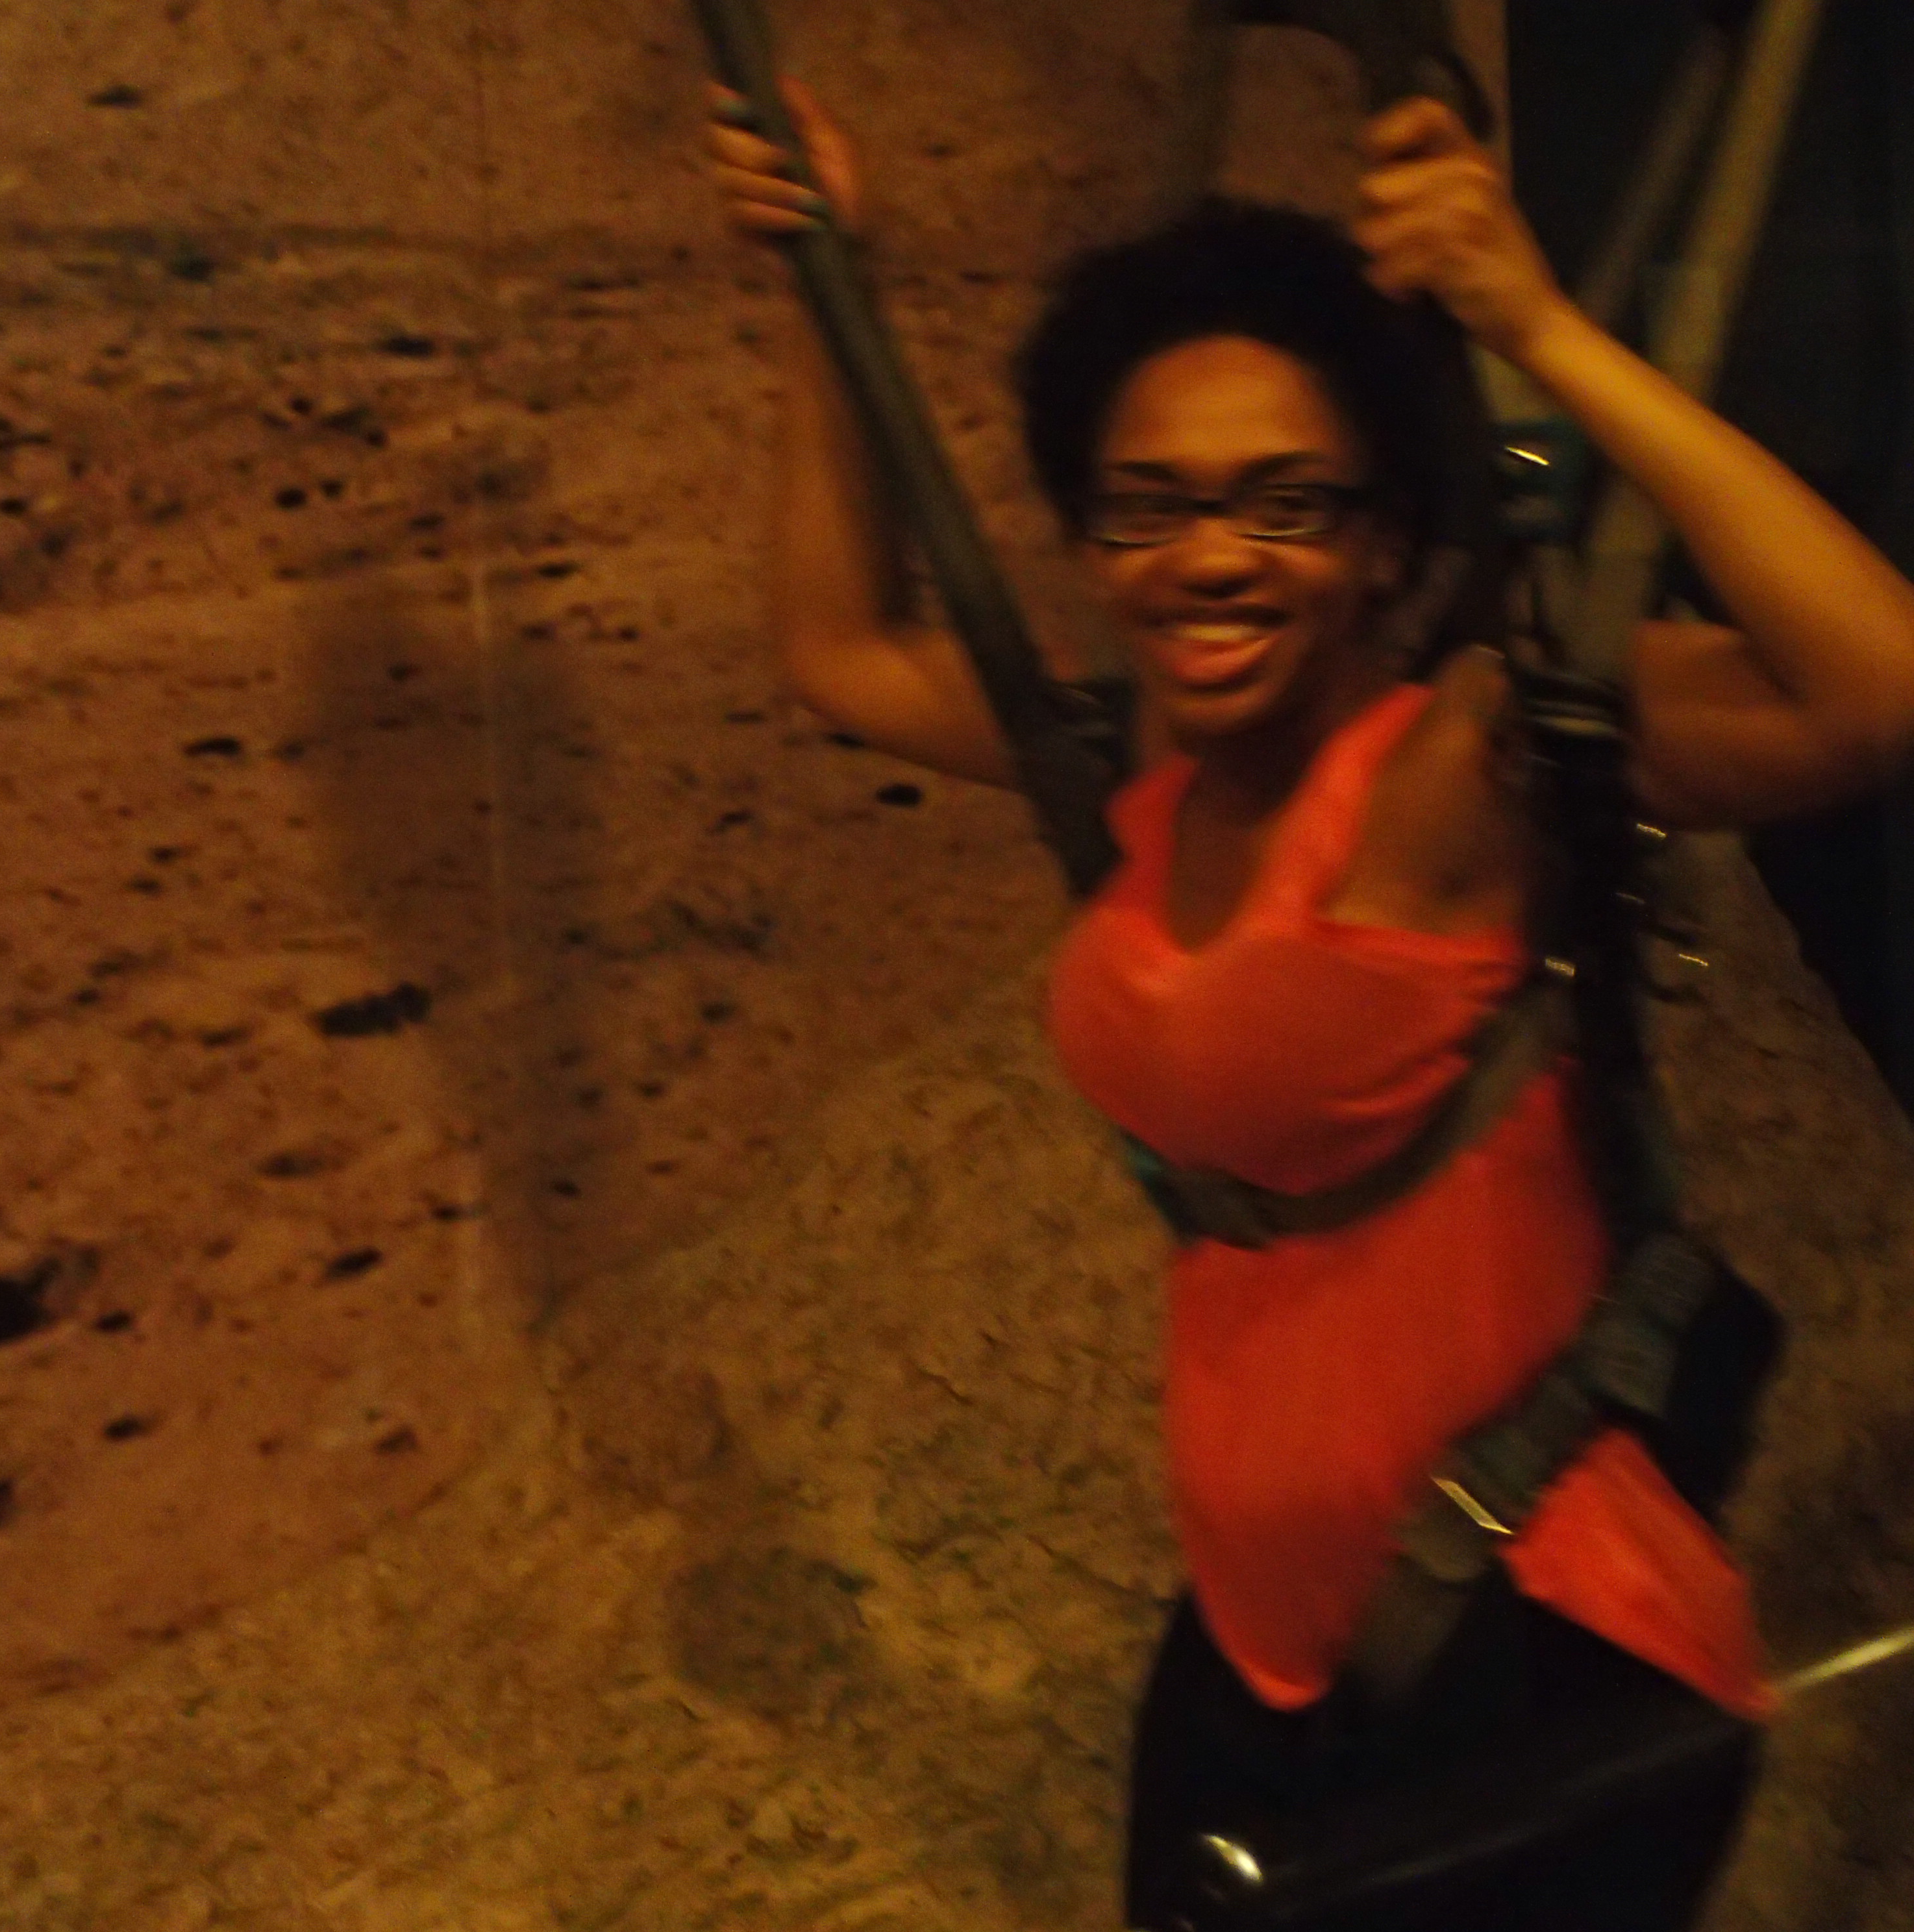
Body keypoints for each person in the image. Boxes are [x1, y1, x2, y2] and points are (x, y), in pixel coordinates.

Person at [706, 75, 1914, 1932]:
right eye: (1150, 509)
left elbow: (1875, 686)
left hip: (1542, 1647)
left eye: (1286, 504)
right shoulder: (1141, 763)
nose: (1210, 558)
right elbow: (841, 652)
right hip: (1265, 1649)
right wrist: (819, 283)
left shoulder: (1465, 764)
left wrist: (1538, 330)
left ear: (1382, 543)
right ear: (1094, 541)